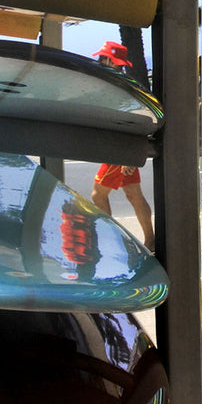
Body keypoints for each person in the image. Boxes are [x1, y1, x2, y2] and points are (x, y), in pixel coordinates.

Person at [89, 42, 155, 250]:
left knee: (98, 195)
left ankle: (112, 239)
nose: (100, 61)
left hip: (118, 148)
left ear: (111, 61)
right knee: (134, 194)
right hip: (123, 146)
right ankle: (150, 239)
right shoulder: (123, 83)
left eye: (103, 58)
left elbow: (129, 119)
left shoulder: (116, 85)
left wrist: (128, 155)